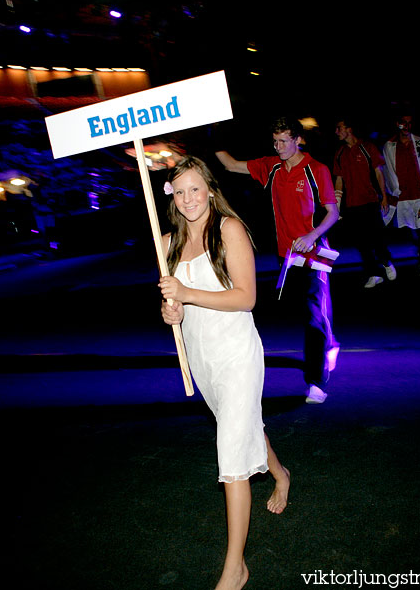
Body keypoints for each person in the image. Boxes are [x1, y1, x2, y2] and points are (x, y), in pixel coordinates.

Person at [158, 156, 290, 590]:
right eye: (179, 192)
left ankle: (236, 567)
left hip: (237, 353)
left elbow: (246, 297)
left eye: (195, 188)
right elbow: (176, 308)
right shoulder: (168, 243)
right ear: (171, 198)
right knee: (244, 425)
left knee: (231, 452)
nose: (188, 198)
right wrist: (171, 309)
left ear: (210, 189)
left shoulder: (228, 230)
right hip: (203, 356)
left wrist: (188, 292)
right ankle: (280, 473)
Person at [215, 117, 340, 404]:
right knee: (309, 313)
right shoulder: (271, 167)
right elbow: (231, 164)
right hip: (286, 256)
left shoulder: (315, 170)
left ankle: (316, 382)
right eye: (275, 141)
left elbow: (332, 212)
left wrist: (312, 234)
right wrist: (213, 133)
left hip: (313, 254)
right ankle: (329, 344)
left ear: (298, 140)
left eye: (284, 140)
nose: (279, 146)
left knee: (313, 317)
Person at [333, 117, 397, 288]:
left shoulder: (367, 147)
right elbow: (339, 179)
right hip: (351, 204)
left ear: (349, 128)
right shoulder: (340, 153)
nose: (336, 132)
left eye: (339, 128)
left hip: (370, 200)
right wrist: (336, 205)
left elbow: (379, 173)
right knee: (361, 241)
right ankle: (373, 274)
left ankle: (386, 261)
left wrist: (384, 196)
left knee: (377, 236)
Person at [382, 114, 420, 276]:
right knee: (410, 228)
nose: (406, 126)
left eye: (409, 123)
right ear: (397, 123)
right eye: (403, 123)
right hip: (402, 195)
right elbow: (387, 171)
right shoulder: (389, 145)